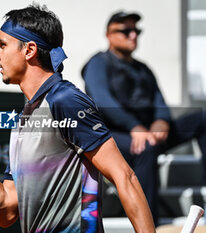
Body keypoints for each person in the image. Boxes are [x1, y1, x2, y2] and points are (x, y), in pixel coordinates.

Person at [0, 5, 155, 233]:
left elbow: (125, 177)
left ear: (29, 50)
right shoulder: (23, 121)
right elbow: (5, 208)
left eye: (2, 45)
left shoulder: (66, 100)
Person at [81, 11, 206, 225]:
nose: (133, 35)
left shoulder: (143, 69)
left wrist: (161, 122)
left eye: (136, 31)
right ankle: (149, 224)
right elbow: (103, 101)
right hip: (113, 135)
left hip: (148, 131)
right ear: (108, 35)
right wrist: (134, 126)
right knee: (144, 148)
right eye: (125, 31)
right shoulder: (98, 63)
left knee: (202, 119)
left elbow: (160, 102)